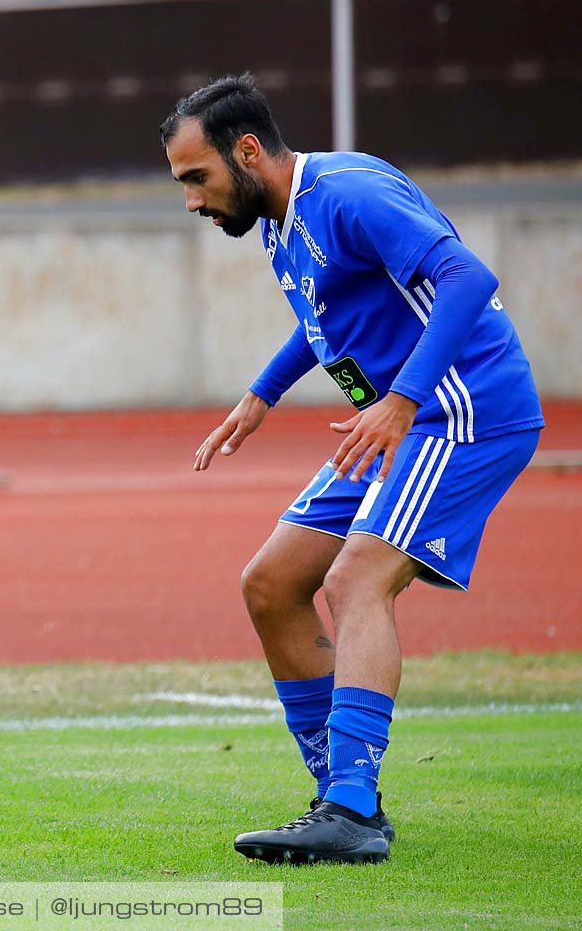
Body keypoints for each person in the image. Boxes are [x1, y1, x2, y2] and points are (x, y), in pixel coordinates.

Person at [161, 74, 542, 865]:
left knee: (354, 581)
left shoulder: (348, 191)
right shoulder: (279, 220)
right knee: (270, 583)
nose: (192, 201)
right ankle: (338, 796)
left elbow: (470, 278)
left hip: (462, 412)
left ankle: (352, 811)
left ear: (248, 149)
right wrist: (263, 393)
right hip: (398, 421)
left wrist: (401, 402)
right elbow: (323, 317)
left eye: (196, 177)